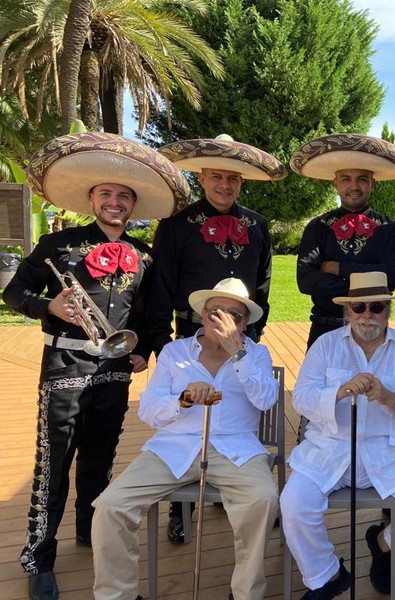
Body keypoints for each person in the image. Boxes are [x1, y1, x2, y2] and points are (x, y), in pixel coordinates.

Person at [3, 132, 189, 600]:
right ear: (92, 199)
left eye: (124, 196)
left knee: (100, 458)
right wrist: (48, 307)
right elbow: (12, 292)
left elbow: (150, 315)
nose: (115, 202)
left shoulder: (144, 256)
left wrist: (147, 350)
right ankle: (38, 558)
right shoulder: (57, 246)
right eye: (106, 194)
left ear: (133, 205)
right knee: (54, 464)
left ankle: (89, 527)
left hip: (115, 368)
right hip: (65, 362)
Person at [92, 278, 280, 600]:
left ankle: (246, 594)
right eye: (215, 312)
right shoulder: (174, 352)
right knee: (111, 506)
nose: (222, 321)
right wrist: (183, 400)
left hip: (235, 448)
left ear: (244, 324)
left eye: (234, 316)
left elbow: (266, 399)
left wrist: (237, 352)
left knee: (262, 499)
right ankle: (117, 596)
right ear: (202, 315)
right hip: (173, 447)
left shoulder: (256, 354)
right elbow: (148, 410)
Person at [151, 133, 286, 542]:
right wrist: (161, 343)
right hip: (191, 333)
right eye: (216, 177)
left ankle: (235, 489)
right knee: (188, 416)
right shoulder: (176, 225)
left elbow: (262, 284)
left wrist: (249, 338)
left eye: (232, 178)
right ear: (202, 177)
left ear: (241, 181)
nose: (225, 185)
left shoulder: (258, 225)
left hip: (241, 334)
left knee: (237, 410)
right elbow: (161, 285)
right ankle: (181, 508)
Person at [280, 272, 395, 599]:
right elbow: (301, 398)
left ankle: (384, 544)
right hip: (329, 450)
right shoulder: (326, 345)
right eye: (359, 307)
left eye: (377, 306)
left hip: (389, 452)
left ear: (388, 310)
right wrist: (339, 392)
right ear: (348, 309)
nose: (367, 314)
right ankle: (327, 575)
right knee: (293, 503)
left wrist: (389, 398)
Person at [292, 133, 395, 348]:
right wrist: (369, 281)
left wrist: (338, 268)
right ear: (335, 183)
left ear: (373, 183)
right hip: (324, 328)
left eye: (362, 179)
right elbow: (306, 281)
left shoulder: (389, 228)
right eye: (346, 179)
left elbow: (391, 277)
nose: (354, 186)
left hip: (373, 330)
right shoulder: (318, 227)